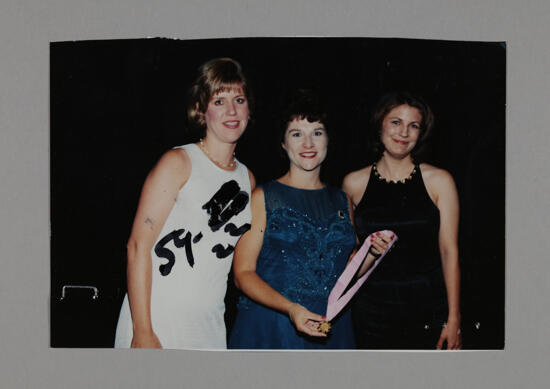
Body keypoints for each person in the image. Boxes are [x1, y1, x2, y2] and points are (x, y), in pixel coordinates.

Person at [228, 90, 387, 349]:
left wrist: (371, 253)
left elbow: (345, 277)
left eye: (317, 132)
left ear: (328, 140)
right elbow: (243, 274)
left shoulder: (342, 200)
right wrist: (291, 309)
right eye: (296, 134)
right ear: (283, 143)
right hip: (274, 327)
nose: (308, 144)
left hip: (330, 326)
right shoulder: (263, 197)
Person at [114, 58, 255, 349]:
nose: (231, 111)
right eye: (219, 101)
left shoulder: (248, 180)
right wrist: (142, 331)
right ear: (202, 110)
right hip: (156, 321)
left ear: (248, 108)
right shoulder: (178, 162)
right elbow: (137, 247)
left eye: (238, 99)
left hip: (209, 327)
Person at [342, 91, 461, 350]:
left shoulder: (440, 181)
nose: (404, 132)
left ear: (421, 133)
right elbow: (350, 259)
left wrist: (454, 318)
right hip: (371, 312)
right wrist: (367, 251)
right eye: (396, 122)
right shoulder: (353, 183)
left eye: (413, 125)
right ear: (380, 124)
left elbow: (449, 252)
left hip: (428, 308)